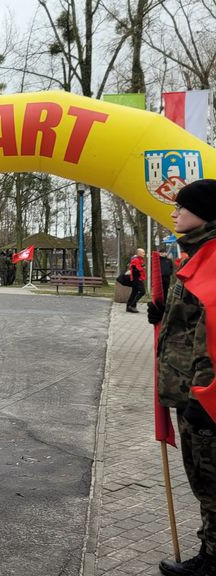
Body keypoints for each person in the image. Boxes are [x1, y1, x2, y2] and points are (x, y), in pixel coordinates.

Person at [150, 178, 216, 576]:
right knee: (205, 484)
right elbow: (190, 322)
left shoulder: (211, 257)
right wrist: (165, 318)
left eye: (181, 206)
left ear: (204, 213)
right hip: (190, 392)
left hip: (204, 399)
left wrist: (203, 396)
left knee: (211, 485)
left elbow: (212, 333)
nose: (173, 213)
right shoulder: (195, 254)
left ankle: (212, 560)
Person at [127, 248, 146, 313]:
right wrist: (142, 267)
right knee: (142, 291)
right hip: (137, 278)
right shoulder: (136, 260)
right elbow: (137, 269)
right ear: (139, 253)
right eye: (143, 252)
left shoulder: (140, 259)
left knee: (134, 292)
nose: (144, 254)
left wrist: (142, 266)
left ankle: (129, 306)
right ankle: (132, 305)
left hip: (137, 278)